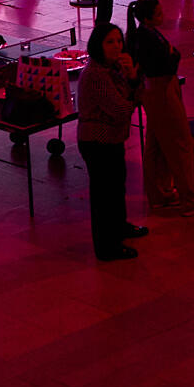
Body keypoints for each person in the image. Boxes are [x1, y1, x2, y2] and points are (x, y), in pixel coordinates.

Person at [124, 0, 194, 217]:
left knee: (156, 144)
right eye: (159, 13)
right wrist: (173, 54)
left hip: (155, 91)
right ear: (147, 18)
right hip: (162, 91)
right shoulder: (148, 38)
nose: (163, 16)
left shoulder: (143, 34)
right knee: (179, 143)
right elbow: (169, 62)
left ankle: (159, 194)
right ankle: (189, 199)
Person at [76, 23, 149, 261]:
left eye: (119, 41)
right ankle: (107, 247)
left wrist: (133, 78)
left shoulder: (114, 68)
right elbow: (120, 110)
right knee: (104, 195)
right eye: (110, 42)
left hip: (113, 138)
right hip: (97, 141)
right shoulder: (96, 74)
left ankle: (119, 227)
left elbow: (139, 94)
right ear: (98, 45)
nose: (117, 46)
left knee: (117, 187)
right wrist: (133, 96)